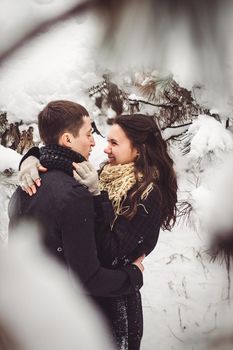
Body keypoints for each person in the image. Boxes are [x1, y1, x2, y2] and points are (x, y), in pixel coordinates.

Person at [18, 113, 177, 350]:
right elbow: (61, 154)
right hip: (89, 298)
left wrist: (96, 196)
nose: (105, 150)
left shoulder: (148, 194)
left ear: (139, 150)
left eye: (115, 143)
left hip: (115, 308)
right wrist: (31, 159)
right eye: (107, 141)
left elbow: (110, 253)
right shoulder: (107, 173)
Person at [8, 101, 144, 308]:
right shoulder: (75, 196)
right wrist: (133, 276)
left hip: (25, 311)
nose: (93, 142)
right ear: (68, 139)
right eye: (88, 134)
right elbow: (87, 280)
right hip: (60, 317)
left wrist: (31, 156)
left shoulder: (24, 187)